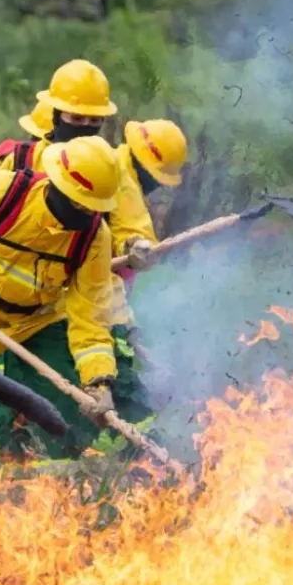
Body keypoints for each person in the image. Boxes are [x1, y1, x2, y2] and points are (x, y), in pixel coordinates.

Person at [0, 136, 123, 461]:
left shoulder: (95, 238)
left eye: (94, 207)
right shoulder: (2, 193)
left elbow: (91, 318)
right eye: (79, 203)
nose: (87, 214)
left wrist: (98, 381)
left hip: (36, 322)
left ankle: (59, 474)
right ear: (57, 184)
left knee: (63, 400)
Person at [98, 119, 190, 430]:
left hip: (107, 290)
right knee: (117, 364)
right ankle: (140, 438)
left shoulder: (119, 169)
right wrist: (135, 243)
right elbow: (128, 228)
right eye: (157, 177)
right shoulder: (120, 177)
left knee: (119, 349)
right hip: (95, 291)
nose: (158, 184)